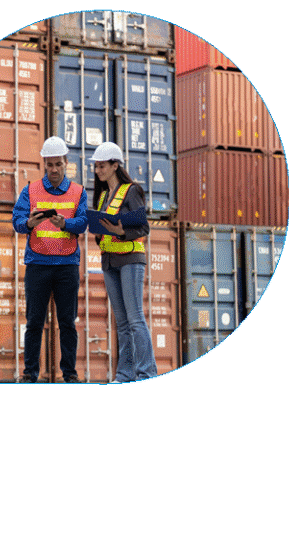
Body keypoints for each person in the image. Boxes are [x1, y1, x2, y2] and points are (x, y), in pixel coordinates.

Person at [12, 136, 88, 383]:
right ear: (44, 163)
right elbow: (17, 221)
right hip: (38, 264)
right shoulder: (30, 190)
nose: (54, 169)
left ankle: (70, 374)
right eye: (50, 164)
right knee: (34, 322)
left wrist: (65, 223)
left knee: (67, 323)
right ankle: (29, 374)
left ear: (66, 162)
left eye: (58, 164)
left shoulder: (78, 192)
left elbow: (83, 222)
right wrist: (28, 223)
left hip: (67, 266)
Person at [91, 141, 158, 382]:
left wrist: (120, 232)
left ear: (114, 165)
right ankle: (124, 374)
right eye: (96, 167)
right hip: (109, 261)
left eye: (101, 166)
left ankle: (146, 373)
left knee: (135, 318)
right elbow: (103, 228)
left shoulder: (132, 191)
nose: (97, 171)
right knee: (121, 322)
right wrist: (100, 233)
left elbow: (143, 227)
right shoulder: (101, 196)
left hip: (130, 258)